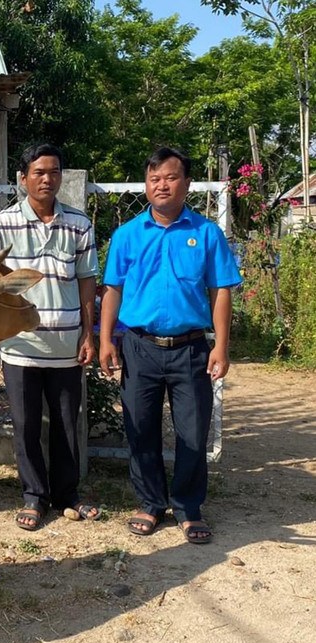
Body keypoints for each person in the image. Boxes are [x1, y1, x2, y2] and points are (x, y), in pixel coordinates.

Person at [99, 147, 242, 544]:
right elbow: (112, 290)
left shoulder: (206, 233)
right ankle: (149, 503)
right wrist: (106, 340)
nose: (162, 185)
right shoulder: (127, 235)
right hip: (139, 347)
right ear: (146, 185)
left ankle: (188, 507)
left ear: (187, 184)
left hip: (191, 348)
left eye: (170, 177)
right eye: (154, 178)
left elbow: (221, 292)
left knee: (193, 432)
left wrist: (222, 347)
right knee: (140, 427)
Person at [0, 144, 100, 531]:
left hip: (67, 345)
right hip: (21, 348)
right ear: (22, 178)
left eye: (54, 172)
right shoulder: (2, 224)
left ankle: (68, 494)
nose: (47, 179)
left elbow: (87, 280)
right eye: (39, 172)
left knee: (66, 423)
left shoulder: (79, 223)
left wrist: (87, 334)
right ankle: (33, 497)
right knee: (25, 426)